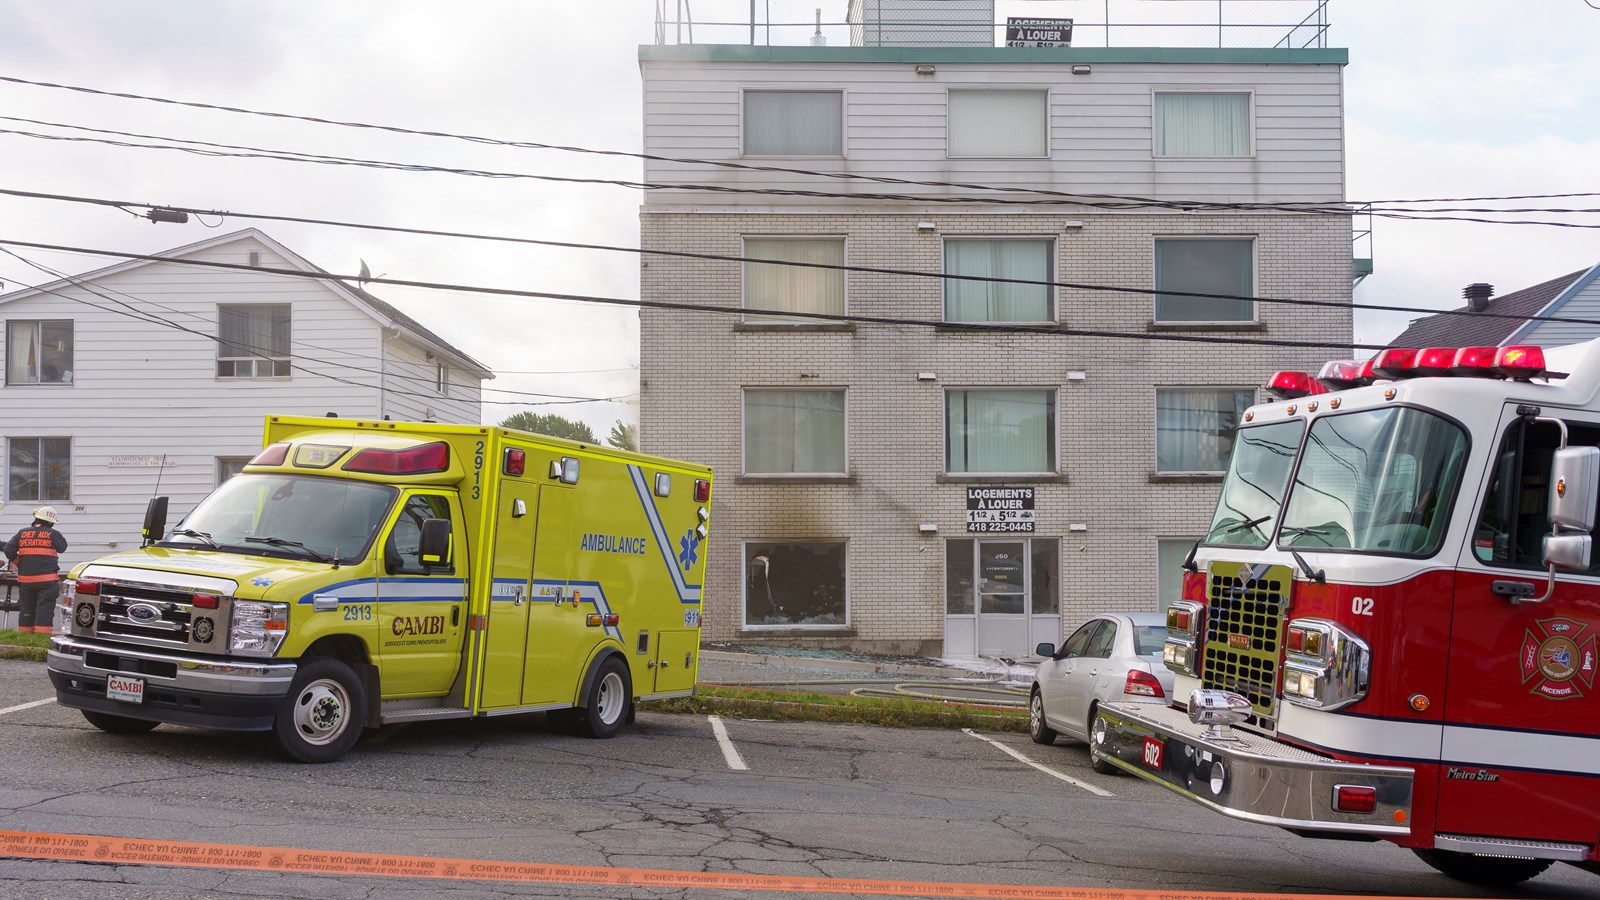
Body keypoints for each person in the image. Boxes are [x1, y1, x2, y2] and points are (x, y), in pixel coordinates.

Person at [4, 506, 68, 634]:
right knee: (44, 609)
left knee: (26, 609)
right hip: (47, 582)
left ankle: (25, 637)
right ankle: (41, 639)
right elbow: (62, 548)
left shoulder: (22, 533)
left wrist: (18, 561)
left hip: (26, 581)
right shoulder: (54, 534)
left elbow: (8, 549)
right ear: (50, 522)